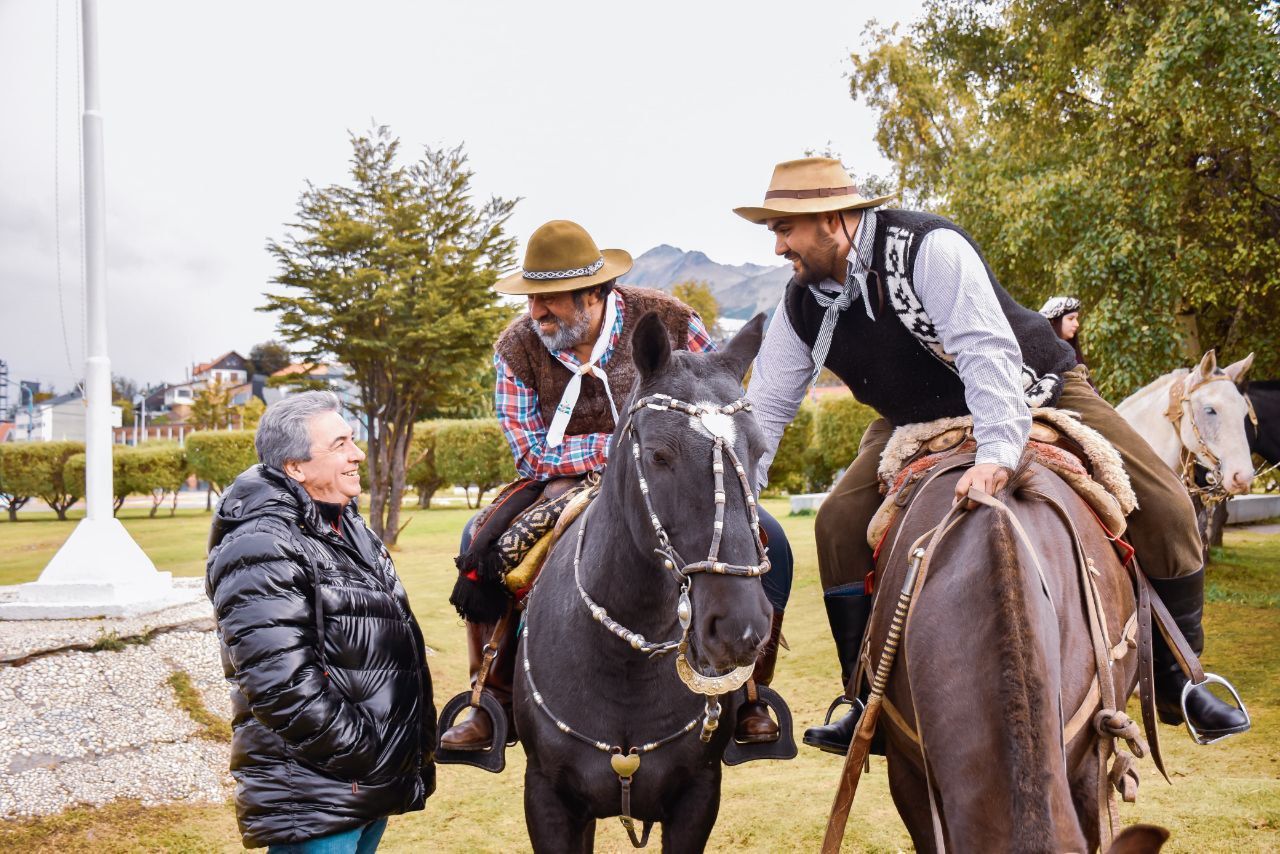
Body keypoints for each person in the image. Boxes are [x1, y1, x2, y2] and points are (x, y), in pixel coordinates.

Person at [734, 157, 1250, 755]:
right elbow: (766, 409)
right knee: (836, 524)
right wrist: (740, 489)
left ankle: (1181, 682)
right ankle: (863, 697)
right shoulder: (802, 304)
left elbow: (987, 352)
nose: (776, 247)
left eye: (783, 229)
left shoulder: (926, 248)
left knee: (1165, 504)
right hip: (915, 420)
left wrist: (999, 452)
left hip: (1030, 389)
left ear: (829, 220)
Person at [439, 219, 794, 751]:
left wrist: (663, 451)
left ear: (593, 294)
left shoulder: (671, 321)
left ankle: (747, 694)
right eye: (531, 298)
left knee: (771, 540)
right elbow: (531, 451)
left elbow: (713, 394)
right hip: (561, 480)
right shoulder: (516, 347)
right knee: (480, 543)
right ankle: (492, 698)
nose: (535, 312)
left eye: (549, 300)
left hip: (676, 474)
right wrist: (623, 451)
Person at [206, 391, 435, 852]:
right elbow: (279, 685)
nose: (356, 454)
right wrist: (363, 752)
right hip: (318, 795)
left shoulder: (347, 525)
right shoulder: (261, 543)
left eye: (352, 440)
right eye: (339, 445)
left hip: (361, 784)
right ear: (295, 467)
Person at [1040, 295, 1088, 368]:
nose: (1077, 324)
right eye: (1070, 319)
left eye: (1076, 319)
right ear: (1054, 321)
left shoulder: (1074, 357)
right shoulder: (1040, 357)